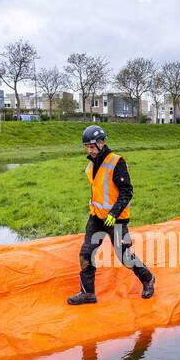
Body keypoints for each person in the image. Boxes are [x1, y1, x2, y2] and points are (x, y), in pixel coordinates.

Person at [67, 125, 155, 305]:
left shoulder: (116, 162)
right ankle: (88, 294)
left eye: (92, 146)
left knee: (124, 256)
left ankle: (148, 279)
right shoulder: (92, 164)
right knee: (86, 254)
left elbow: (127, 191)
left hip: (116, 220)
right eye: (87, 147)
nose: (89, 150)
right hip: (96, 218)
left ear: (101, 143)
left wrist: (114, 214)